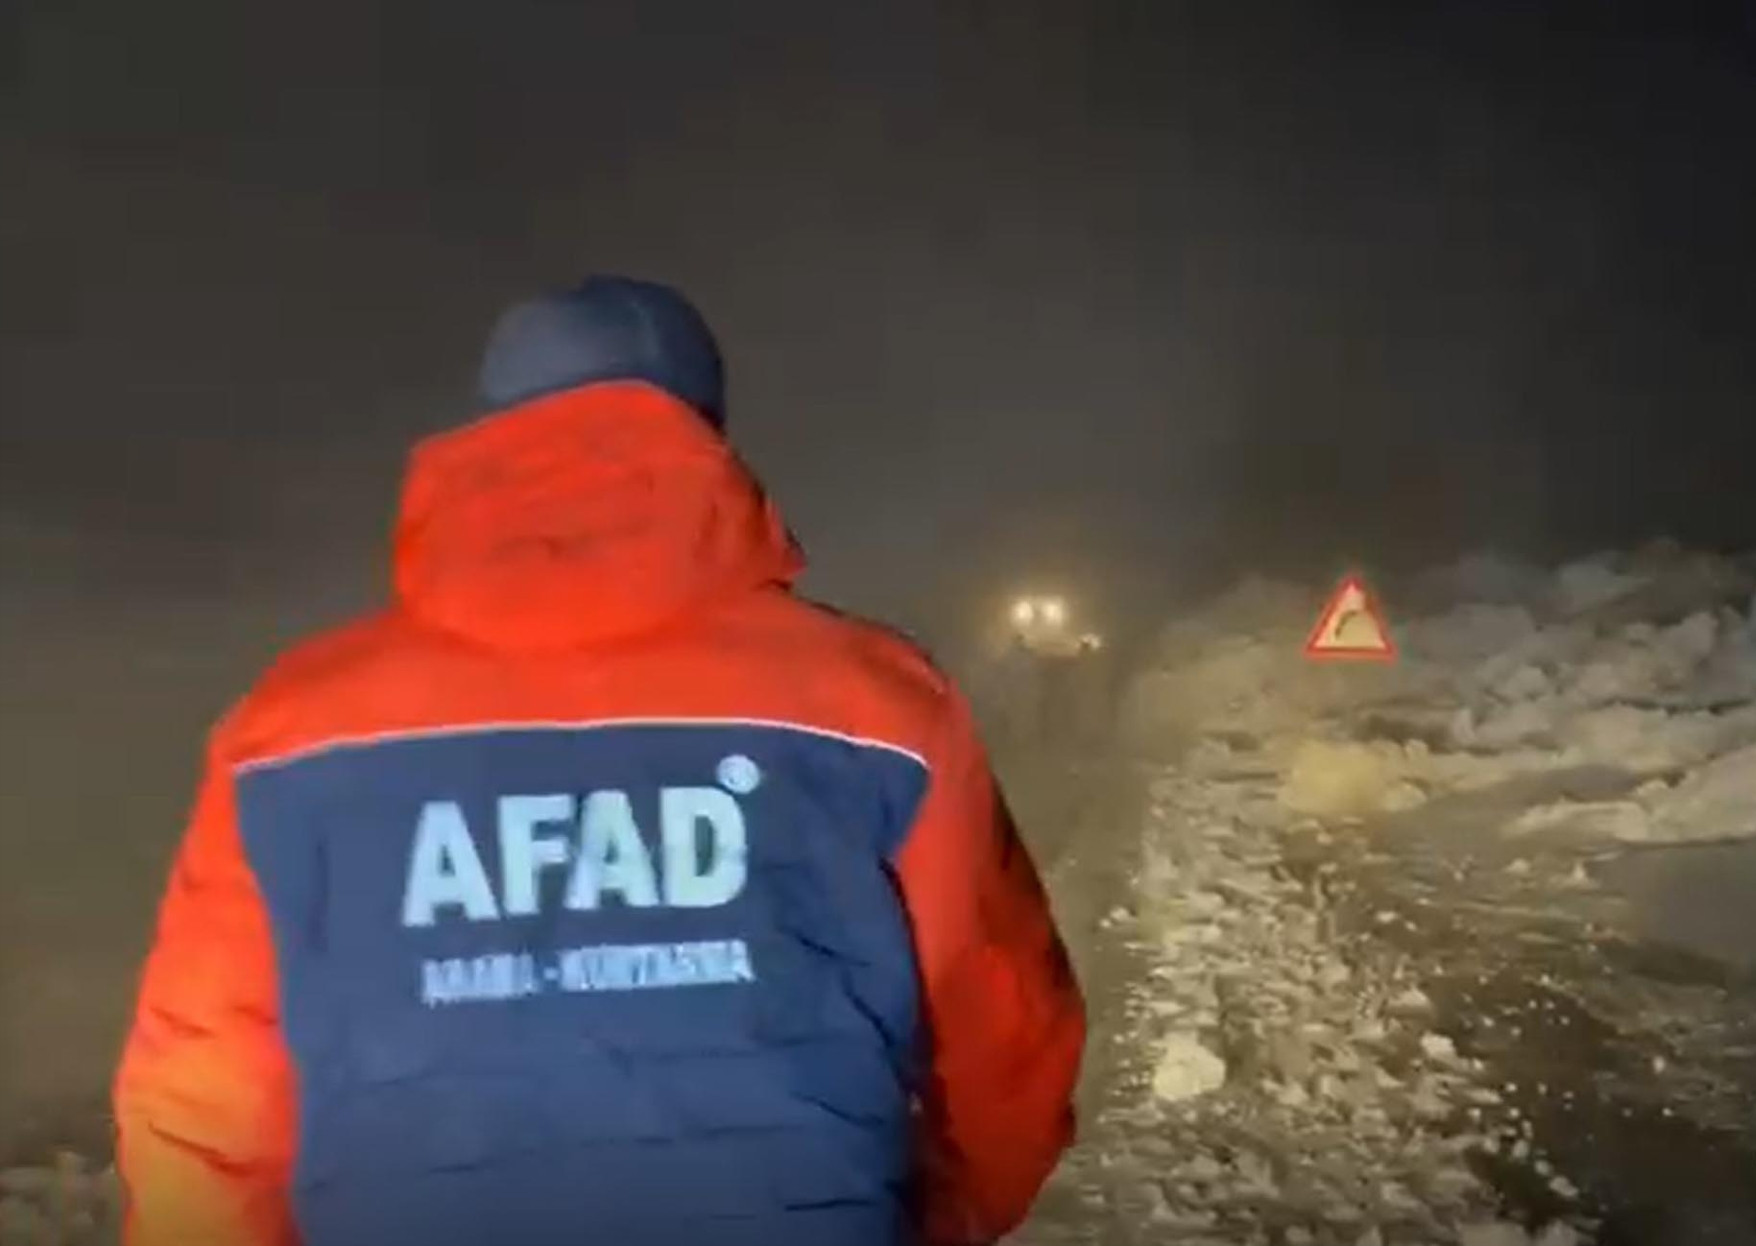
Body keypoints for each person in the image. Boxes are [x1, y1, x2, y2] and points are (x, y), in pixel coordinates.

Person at [113, 276, 1086, 1246]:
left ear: (493, 429)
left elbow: (198, 1093)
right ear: (703, 434)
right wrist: (931, 1217)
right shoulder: (882, 706)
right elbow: (1008, 1036)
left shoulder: (291, 729)